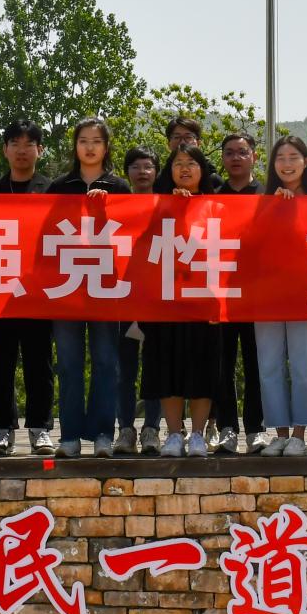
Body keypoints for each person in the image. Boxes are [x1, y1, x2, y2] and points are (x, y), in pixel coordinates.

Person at [47, 116, 130, 457]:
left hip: (106, 287)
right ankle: (69, 435)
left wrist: (107, 207)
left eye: (96, 141)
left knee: (106, 361)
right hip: (67, 288)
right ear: (75, 146)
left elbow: (131, 234)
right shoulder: (59, 186)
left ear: (106, 147)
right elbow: (44, 233)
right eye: (83, 141)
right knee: (68, 363)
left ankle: (102, 433)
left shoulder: (119, 187)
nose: (90, 147)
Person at [141, 144, 223, 456]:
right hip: (165, 300)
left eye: (191, 163)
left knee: (202, 366)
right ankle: (174, 434)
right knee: (167, 366)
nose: (184, 168)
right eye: (178, 163)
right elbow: (143, 248)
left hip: (204, 300)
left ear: (202, 169)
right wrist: (169, 207)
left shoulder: (216, 206)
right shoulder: (157, 204)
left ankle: (198, 434)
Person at [0, 121, 56, 457]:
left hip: (39, 292)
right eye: (15, 143)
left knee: (40, 364)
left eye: (29, 144)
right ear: (5, 150)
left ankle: (40, 429)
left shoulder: (53, 191)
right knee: (0, 364)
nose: (22, 150)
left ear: (40, 150)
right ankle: (2, 429)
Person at [255, 136, 307, 456]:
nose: (286, 164)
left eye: (293, 157)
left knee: (304, 366)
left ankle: (299, 434)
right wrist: (273, 208)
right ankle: (280, 433)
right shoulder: (262, 201)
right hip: (266, 295)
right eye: (280, 158)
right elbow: (250, 243)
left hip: (304, 295)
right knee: (269, 366)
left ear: (306, 162)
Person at [211, 131, 265, 454]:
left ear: (254, 157)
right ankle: (227, 428)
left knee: (257, 364)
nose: (235, 158)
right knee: (223, 365)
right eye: (229, 152)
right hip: (222, 293)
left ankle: (256, 429)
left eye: (242, 152)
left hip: (259, 294)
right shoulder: (212, 197)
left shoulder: (268, 195)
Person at [116, 145, 163, 452]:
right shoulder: (117, 206)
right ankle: (125, 430)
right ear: (127, 173)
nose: (142, 172)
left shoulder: (167, 205)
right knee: (124, 371)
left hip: (159, 298)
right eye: (135, 167)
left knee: (155, 369)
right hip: (123, 297)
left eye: (148, 166)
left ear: (156, 172)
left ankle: (151, 430)